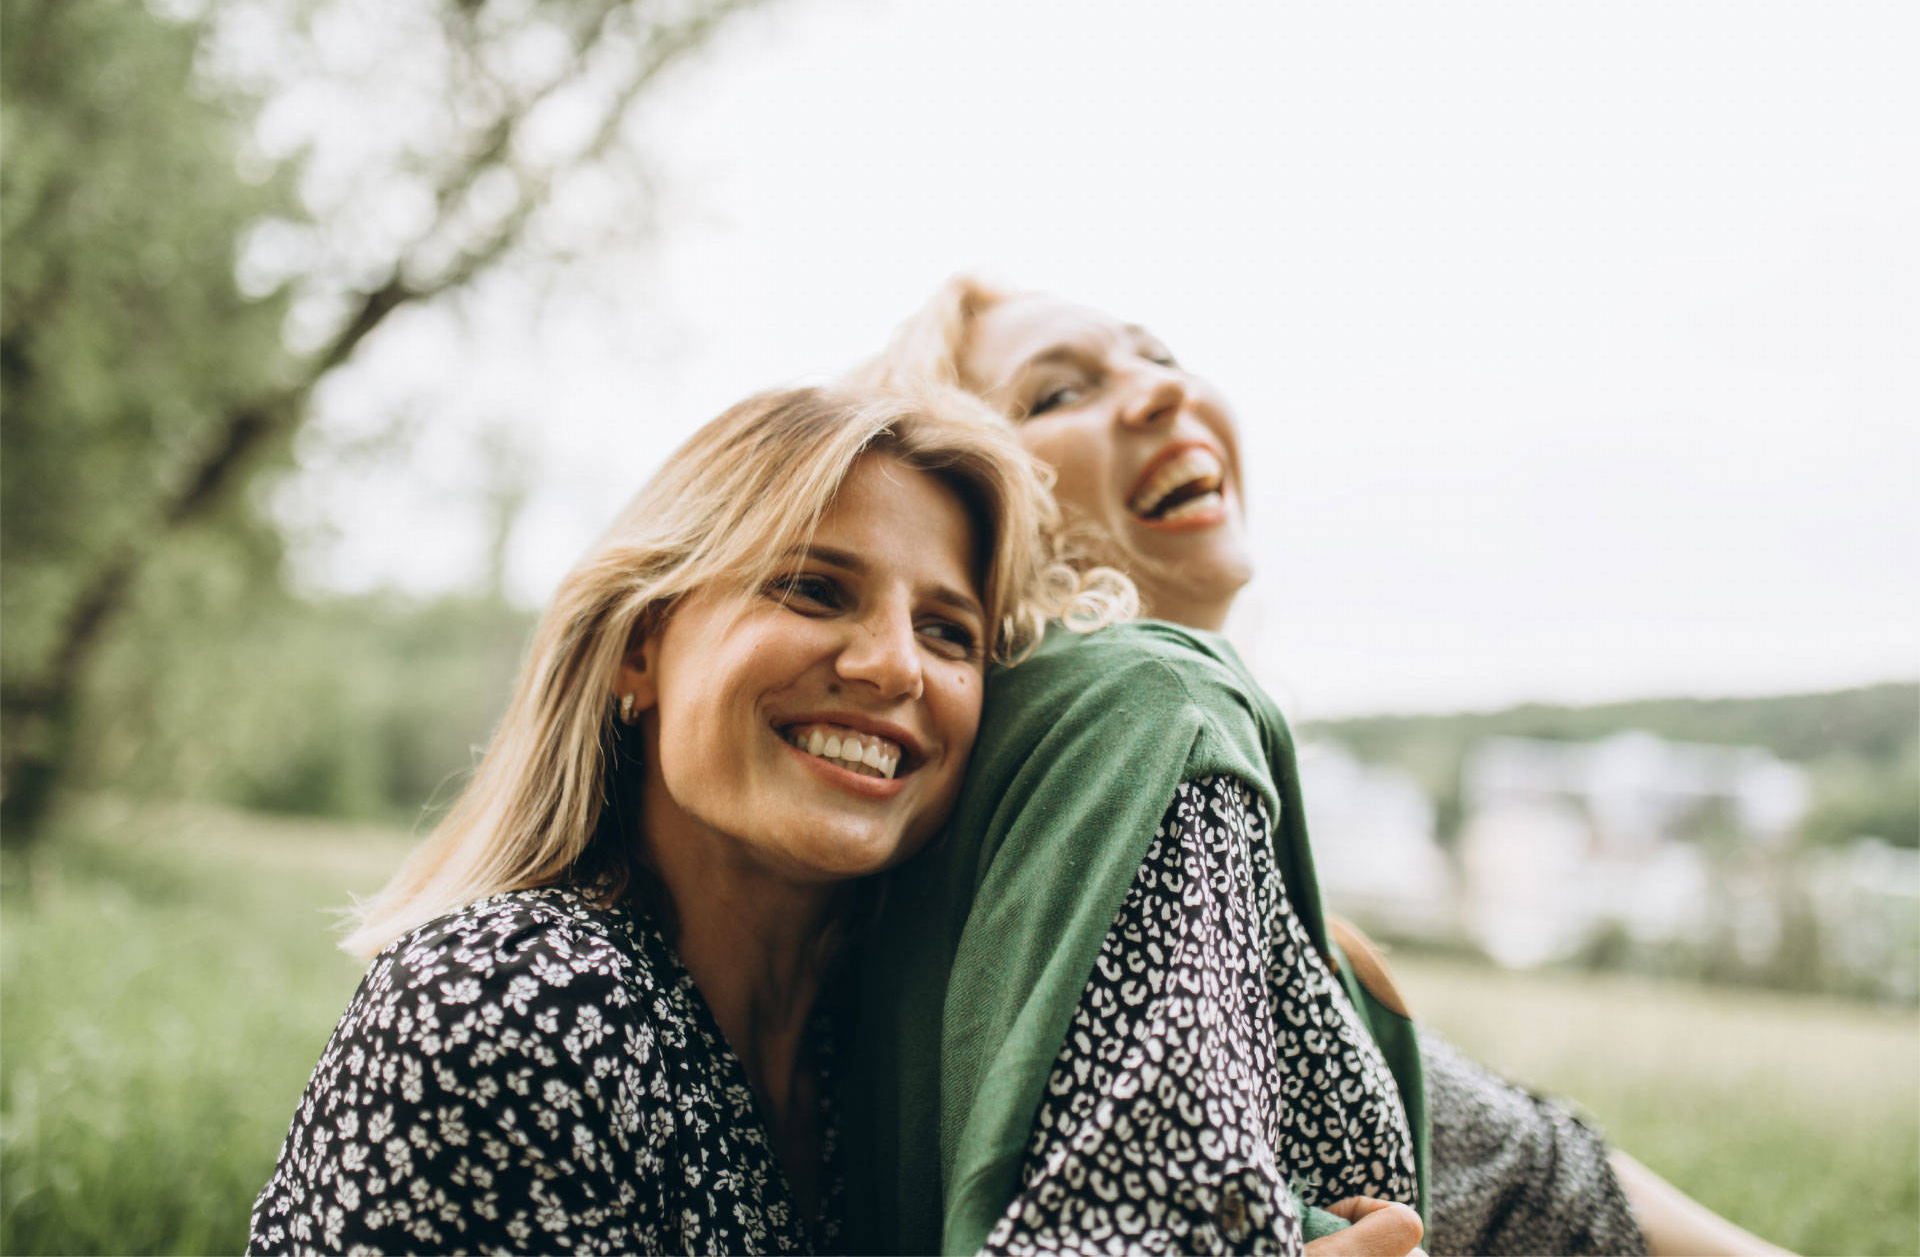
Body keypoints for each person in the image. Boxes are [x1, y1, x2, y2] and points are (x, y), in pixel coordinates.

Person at [840, 278, 1792, 1257]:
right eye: (1056, 394)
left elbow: (1526, 1175)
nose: (1165, 392)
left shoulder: (1064, 802)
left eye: (1160, 354)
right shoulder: (1158, 703)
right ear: (959, 495)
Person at [246, 384, 1117, 1255]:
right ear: (639, 649)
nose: (895, 666)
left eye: (946, 631)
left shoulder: (897, 1058)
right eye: (814, 589)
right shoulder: (513, 1004)